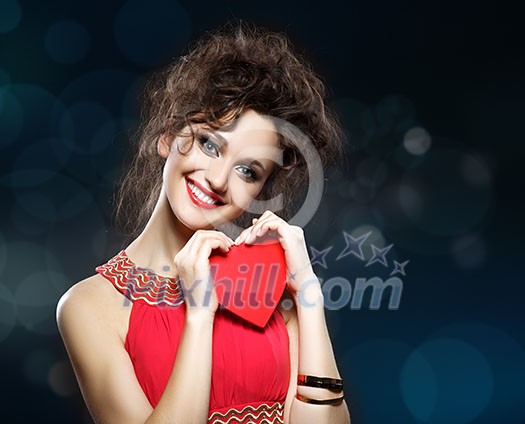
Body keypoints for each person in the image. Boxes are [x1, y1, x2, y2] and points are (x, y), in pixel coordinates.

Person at [56, 22, 351, 424]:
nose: (216, 178)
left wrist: (309, 295)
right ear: (167, 135)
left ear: (260, 190)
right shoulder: (89, 306)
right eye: (209, 144)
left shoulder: (268, 285)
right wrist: (198, 315)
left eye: (247, 171)